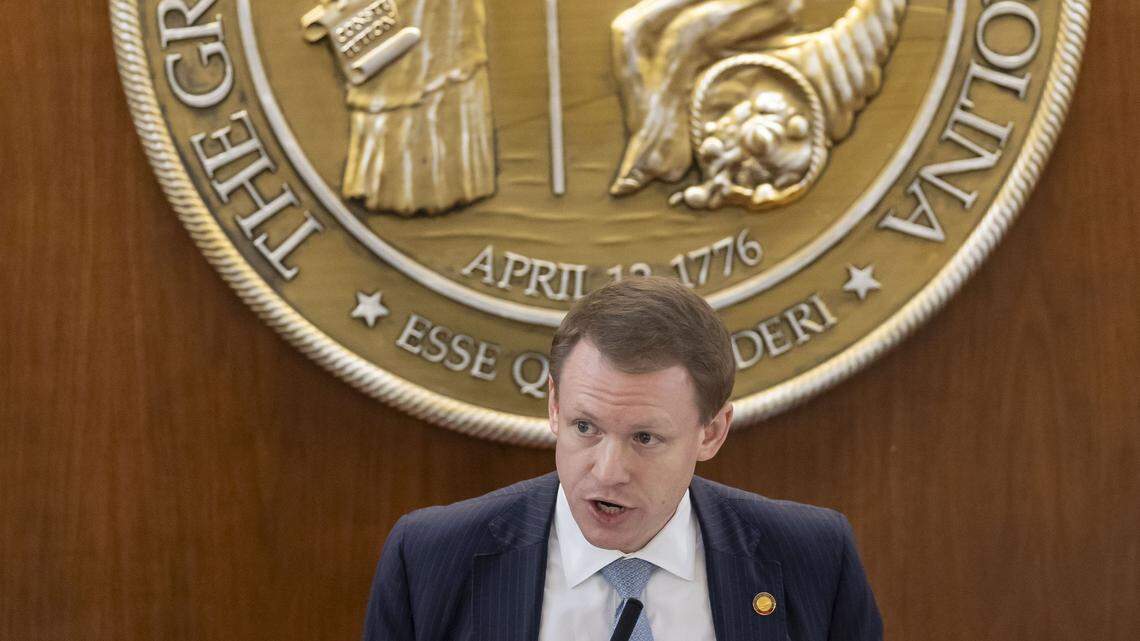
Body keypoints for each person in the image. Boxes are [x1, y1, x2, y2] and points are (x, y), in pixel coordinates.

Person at [361, 276, 881, 640]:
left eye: (645, 438)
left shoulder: (813, 558)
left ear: (712, 433)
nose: (607, 472)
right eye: (585, 428)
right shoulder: (429, 559)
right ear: (554, 406)